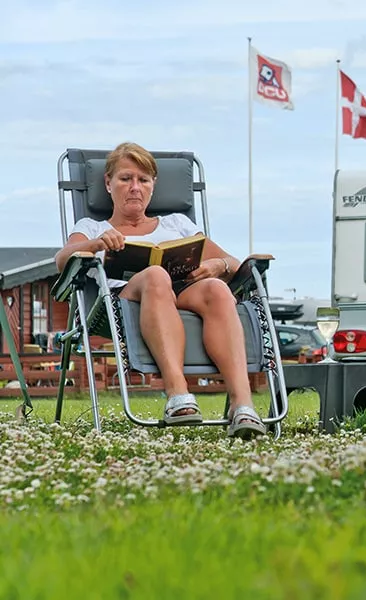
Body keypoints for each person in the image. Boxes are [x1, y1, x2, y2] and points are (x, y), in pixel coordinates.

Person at [54, 141, 266, 439]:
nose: (135, 187)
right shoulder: (92, 226)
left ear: (153, 186)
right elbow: (62, 259)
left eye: (143, 180)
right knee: (155, 275)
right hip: (125, 304)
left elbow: (232, 260)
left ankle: (242, 405)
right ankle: (177, 394)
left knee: (217, 289)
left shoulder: (177, 223)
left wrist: (217, 265)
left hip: (183, 292)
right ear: (108, 183)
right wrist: (97, 244)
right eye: (125, 178)